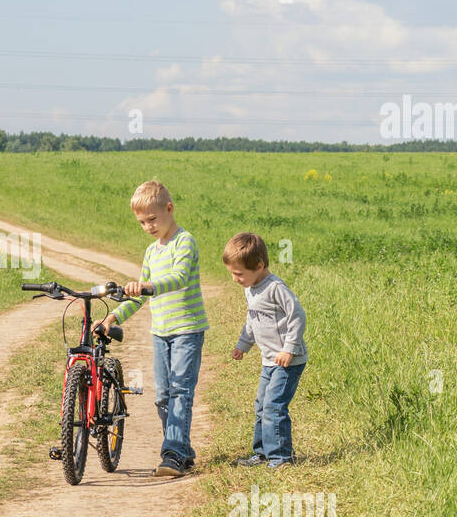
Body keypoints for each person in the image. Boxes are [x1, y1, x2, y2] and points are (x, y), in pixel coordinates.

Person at [97, 181, 208, 477]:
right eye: (142, 222)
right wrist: (113, 318)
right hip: (161, 333)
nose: (148, 226)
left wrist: (149, 286)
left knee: (181, 391)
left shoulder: (185, 242)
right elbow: (138, 298)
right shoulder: (151, 252)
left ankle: (172, 454)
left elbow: (179, 277)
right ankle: (181, 451)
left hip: (187, 329)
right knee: (163, 396)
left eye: (153, 219)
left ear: (169, 209)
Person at [223, 232, 307, 468]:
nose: (234, 279)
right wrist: (243, 344)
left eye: (239, 274)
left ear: (259, 266)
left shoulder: (275, 288)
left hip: (288, 360)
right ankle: (261, 453)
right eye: (232, 273)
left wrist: (288, 349)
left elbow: (297, 316)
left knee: (273, 405)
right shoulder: (250, 288)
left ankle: (281, 457)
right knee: (261, 405)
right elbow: (252, 320)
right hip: (268, 360)